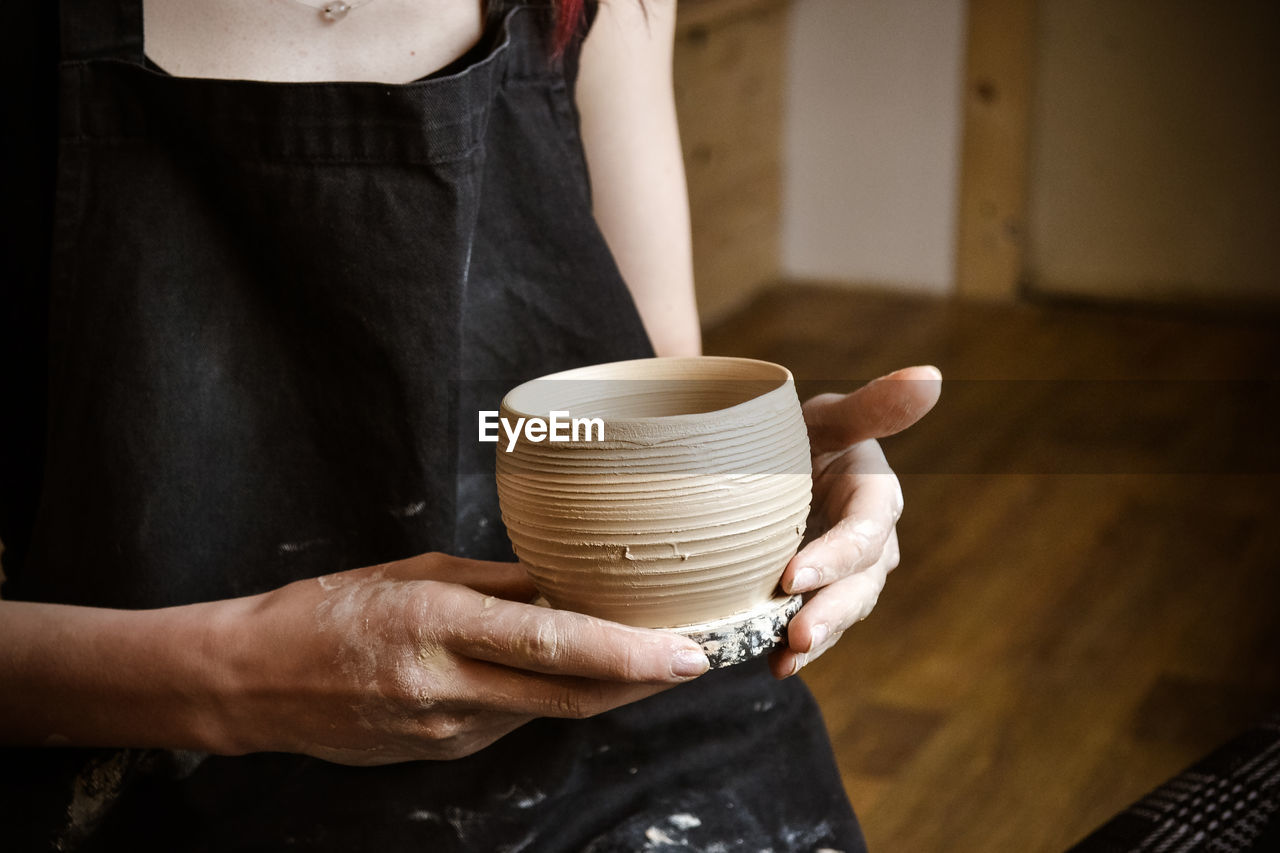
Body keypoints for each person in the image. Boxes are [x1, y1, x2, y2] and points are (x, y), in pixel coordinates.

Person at [0, 0, 941, 848]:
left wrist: (769, 467)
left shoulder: (597, 10)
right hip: (140, 751)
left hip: (607, 720)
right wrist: (238, 673)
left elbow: (658, 387)